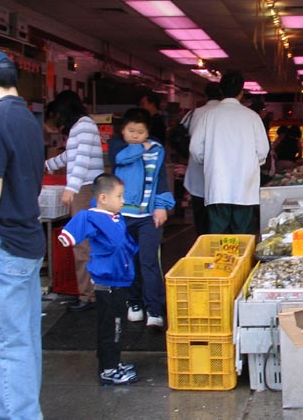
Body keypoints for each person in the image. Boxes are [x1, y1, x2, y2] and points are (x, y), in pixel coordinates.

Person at [0, 50, 45, 420]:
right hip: (27, 241)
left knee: (3, 345)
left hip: (2, 244)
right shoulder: (27, 118)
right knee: (24, 338)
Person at [57, 173, 139, 385]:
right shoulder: (91, 217)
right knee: (111, 327)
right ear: (103, 198)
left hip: (120, 281)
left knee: (117, 326)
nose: (123, 200)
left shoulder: (116, 218)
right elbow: (68, 235)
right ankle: (108, 369)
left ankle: (113, 362)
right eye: (119, 196)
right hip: (108, 284)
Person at [109, 107, 175, 329]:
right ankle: (134, 302)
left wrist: (161, 207)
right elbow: (121, 159)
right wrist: (141, 147)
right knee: (129, 260)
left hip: (148, 216)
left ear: (148, 132)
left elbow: (161, 179)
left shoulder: (156, 149)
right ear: (122, 130)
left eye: (140, 132)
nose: (135, 136)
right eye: (131, 131)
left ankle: (154, 308)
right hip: (122, 215)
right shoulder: (117, 145)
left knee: (149, 261)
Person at [45, 89, 105, 312]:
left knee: (82, 243)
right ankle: (89, 292)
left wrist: (71, 188)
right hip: (86, 187)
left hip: (85, 189)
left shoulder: (83, 126)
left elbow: (81, 160)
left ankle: (88, 296)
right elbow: (71, 156)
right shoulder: (82, 126)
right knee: (85, 243)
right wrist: (48, 165)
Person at [189, 70, 269, 235]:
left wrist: (210, 160)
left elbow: (195, 148)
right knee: (243, 237)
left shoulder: (209, 116)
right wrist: (252, 164)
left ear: (221, 90)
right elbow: (263, 151)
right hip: (245, 188)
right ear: (241, 92)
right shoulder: (252, 117)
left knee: (218, 238)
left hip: (217, 186)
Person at [182, 83, 222, 236]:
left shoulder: (195, 113)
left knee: (200, 217)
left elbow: (188, 141)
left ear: (205, 96)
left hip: (196, 173)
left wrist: (199, 159)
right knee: (219, 218)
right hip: (221, 176)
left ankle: (202, 242)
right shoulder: (225, 114)